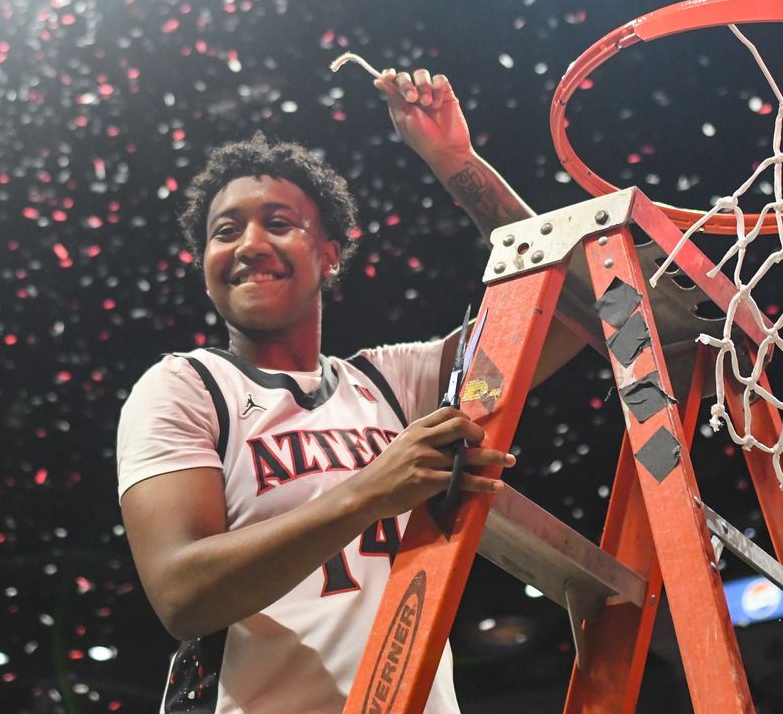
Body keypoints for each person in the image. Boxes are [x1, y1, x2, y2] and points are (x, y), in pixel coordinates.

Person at [116, 68, 584, 713]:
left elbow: (572, 308)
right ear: (205, 268)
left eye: (278, 223)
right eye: (224, 231)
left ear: (331, 254)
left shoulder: (395, 383)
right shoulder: (187, 386)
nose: (250, 244)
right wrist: (368, 490)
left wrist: (455, 161)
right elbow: (180, 595)